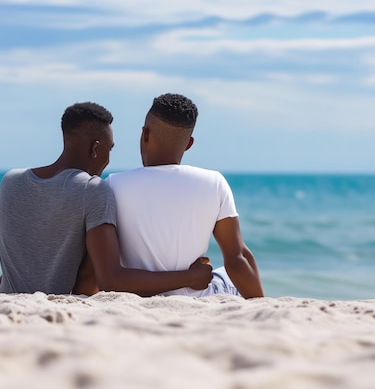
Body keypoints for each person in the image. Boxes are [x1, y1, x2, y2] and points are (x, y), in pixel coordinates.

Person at [0, 102, 213, 296]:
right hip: (51, 307)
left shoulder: (10, 181)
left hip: (4, 299)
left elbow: (14, 265)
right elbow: (111, 279)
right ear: (96, 149)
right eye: (110, 149)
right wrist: (190, 277)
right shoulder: (91, 189)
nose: (108, 159)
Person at [105, 93, 264, 299]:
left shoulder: (113, 184)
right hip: (196, 297)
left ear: (145, 134)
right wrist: (262, 304)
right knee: (226, 273)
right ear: (189, 143)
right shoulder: (214, 182)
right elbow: (237, 258)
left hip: (136, 297)